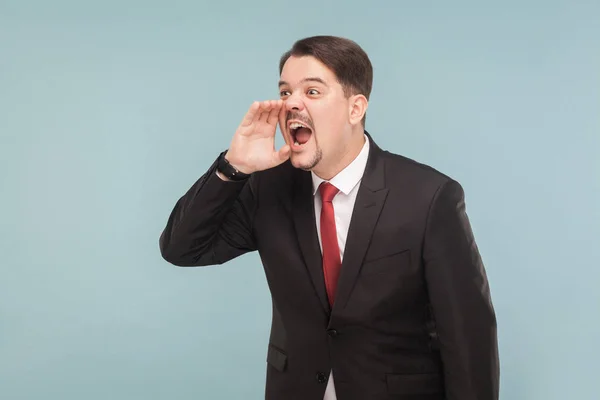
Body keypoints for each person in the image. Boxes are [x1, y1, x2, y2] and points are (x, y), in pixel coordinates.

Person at [159, 35, 499, 400]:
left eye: (313, 92)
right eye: (286, 92)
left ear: (355, 108)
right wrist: (234, 166)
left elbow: (468, 340)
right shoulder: (267, 189)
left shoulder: (429, 198)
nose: (292, 105)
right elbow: (182, 249)